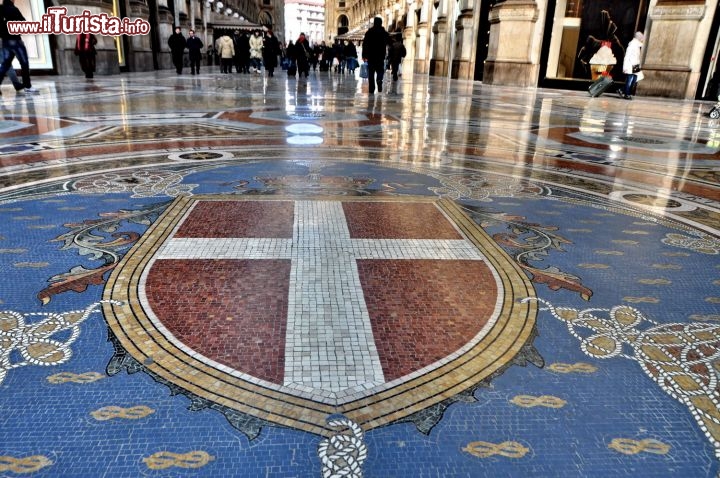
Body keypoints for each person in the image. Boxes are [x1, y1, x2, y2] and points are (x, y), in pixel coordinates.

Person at [0, 0, 38, 94]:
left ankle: (20, 85)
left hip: (5, 41)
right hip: (16, 40)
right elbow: (23, 23)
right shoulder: (14, 9)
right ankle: (28, 86)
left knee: (5, 65)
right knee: (24, 63)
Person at [362, 17, 390, 94]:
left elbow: (365, 45)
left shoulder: (369, 32)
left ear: (374, 23)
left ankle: (371, 89)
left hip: (371, 56)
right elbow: (390, 42)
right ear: (381, 23)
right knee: (380, 70)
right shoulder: (384, 32)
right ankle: (379, 80)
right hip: (380, 56)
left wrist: (364, 55)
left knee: (371, 73)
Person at [621, 31, 644, 100]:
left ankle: (622, 90)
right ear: (639, 38)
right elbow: (627, 56)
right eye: (642, 37)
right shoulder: (632, 44)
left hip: (635, 65)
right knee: (630, 80)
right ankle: (626, 94)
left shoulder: (637, 44)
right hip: (630, 65)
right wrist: (625, 66)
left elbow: (642, 44)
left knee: (634, 79)